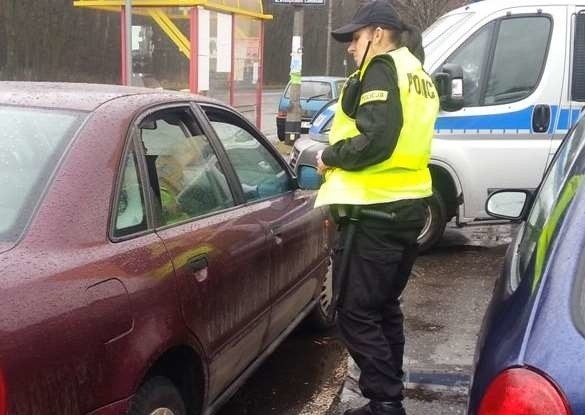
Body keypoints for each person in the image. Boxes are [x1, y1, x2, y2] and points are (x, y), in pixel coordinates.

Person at [314, 2, 439, 414]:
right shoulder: (416, 71)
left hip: (374, 211)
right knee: (383, 309)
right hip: (405, 206)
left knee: (353, 314)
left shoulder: (383, 68)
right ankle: (389, 396)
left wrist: (330, 156)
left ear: (378, 33)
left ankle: (384, 403)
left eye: (355, 37)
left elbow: (376, 139)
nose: (350, 46)